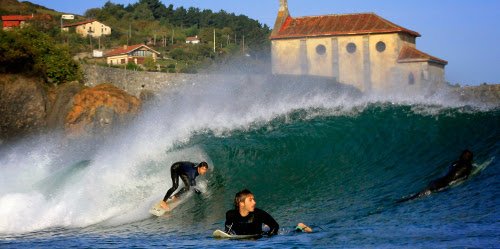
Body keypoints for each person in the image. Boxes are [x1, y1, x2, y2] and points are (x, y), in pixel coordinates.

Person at [399, 149, 474, 202]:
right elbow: (466, 176)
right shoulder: (468, 165)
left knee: (417, 195)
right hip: (444, 184)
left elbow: (451, 170)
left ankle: (403, 200)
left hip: (437, 181)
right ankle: (404, 201)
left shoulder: (454, 163)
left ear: (461, 156)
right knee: (419, 197)